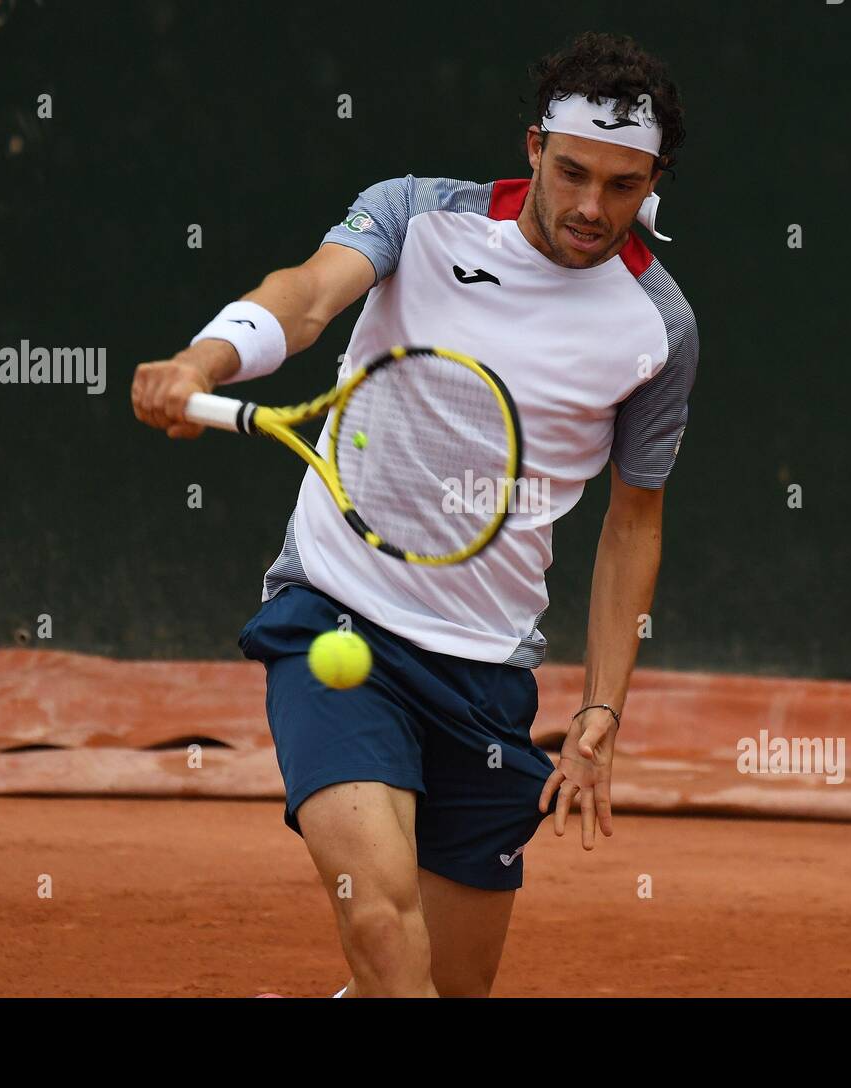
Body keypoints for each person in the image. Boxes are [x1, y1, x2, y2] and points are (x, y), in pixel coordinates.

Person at [130, 31, 697, 997]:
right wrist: (206, 360)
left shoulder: (658, 326)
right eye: (572, 173)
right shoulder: (420, 218)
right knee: (385, 927)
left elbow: (633, 521)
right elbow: (306, 299)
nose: (591, 207)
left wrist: (602, 706)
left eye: (621, 184)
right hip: (336, 619)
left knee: (451, 988)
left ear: (654, 181)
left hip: (486, 677)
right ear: (532, 149)